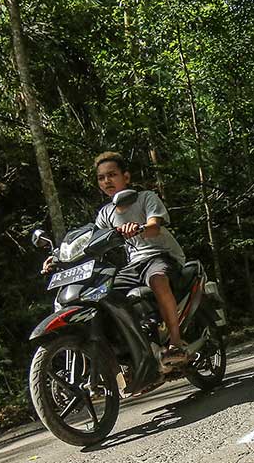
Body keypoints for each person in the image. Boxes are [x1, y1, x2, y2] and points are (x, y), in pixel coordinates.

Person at [53, 152, 190, 368]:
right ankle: (134, 347)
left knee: (157, 279)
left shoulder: (145, 198)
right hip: (133, 265)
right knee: (101, 294)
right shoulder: (105, 213)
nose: (106, 181)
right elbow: (89, 243)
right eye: (101, 178)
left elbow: (155, 226)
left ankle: (175, 341)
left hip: (159, 256)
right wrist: (57, 259)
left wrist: (140, 228)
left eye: (112, 175)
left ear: (126, 177)